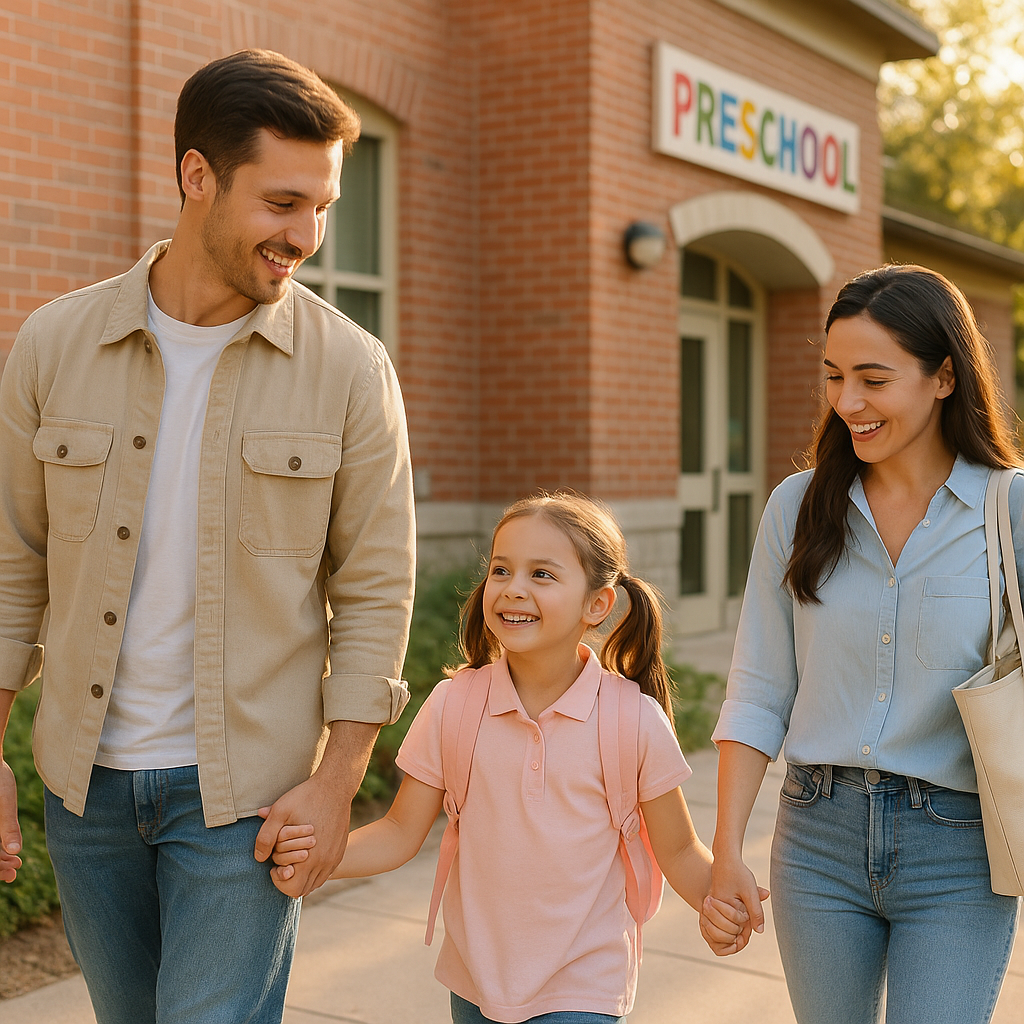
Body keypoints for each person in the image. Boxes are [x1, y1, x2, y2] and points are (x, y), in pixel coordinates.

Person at [0, 49, 415, 1024]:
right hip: (86, 791)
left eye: (322, 207)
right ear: (198, 176)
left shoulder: (350, 370)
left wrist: (337, 783)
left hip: (246, 803)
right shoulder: (55, 344)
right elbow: (14, 563)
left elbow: (375, 590)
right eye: (282, 203)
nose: (306, 236)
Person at [269, 492, 761, 1024]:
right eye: (501, 570)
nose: (513, 588)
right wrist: (317, 859)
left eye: (542, 574)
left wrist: (719, 900)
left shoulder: (632, 720)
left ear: (597, 604)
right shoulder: (455, 705)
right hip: (475, 985)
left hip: (584, 988)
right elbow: (399, 832)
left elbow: (680, 850)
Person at [710, 264, 1022, 1024]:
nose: (847, 402)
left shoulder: (1010, 510)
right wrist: (725, 854)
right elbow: (759, 689)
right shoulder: (797, 507)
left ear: (944, 377)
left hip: (958, 849)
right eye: (834, 376)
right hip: (816, 839)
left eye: (873, 379)